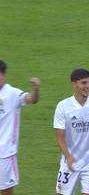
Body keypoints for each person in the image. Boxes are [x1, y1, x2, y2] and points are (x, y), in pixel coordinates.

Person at [53, 68, 89, 195]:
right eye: (84, 83)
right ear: (74, 84)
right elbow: (60, 137)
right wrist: (68, 156)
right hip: (69, 162)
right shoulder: (63, 106)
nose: (88, 86)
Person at [0, 60, 40, 195]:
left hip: (5, 153)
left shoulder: (11, 93)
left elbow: (31, 99)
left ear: (4, 75)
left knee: (6, 191)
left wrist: (35, 90)